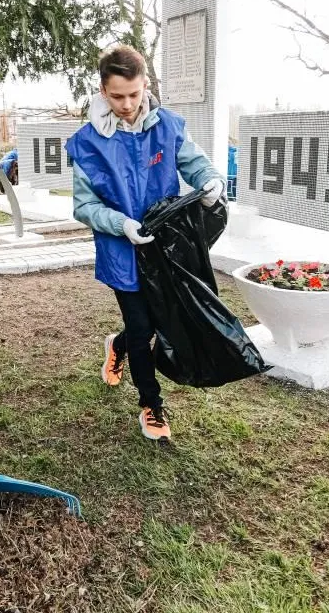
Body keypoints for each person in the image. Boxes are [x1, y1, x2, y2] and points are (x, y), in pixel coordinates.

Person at [67, 45, 225, 442]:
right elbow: (84, 206)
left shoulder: (168, 126)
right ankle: (151, 406)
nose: (127, 104)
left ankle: (116, 346)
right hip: (122, 249)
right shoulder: (87, 143)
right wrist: (120, 224)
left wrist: (209, 182)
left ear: (145, 86)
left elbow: (193, 162)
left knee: (158, 321)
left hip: (164, 247)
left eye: (134, 94)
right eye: (117, 96)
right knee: (142, 327)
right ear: (103, 91)